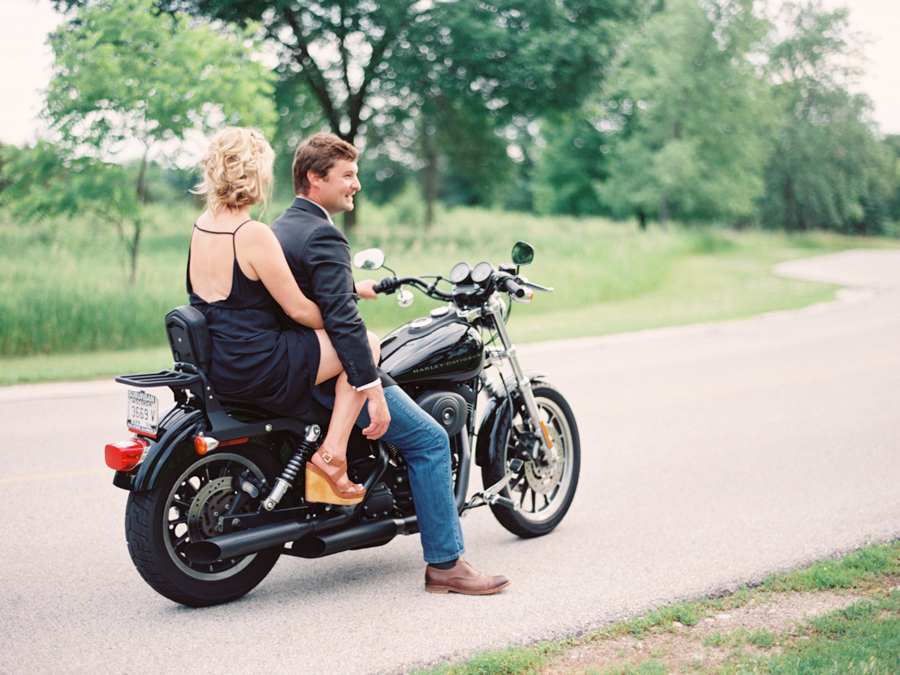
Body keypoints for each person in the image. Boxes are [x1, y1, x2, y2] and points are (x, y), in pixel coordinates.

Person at [271, 132, 510, 595]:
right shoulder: (323, 234)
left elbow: (303, 295)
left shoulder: (282, 228)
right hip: (325, 372)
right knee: (430, 440)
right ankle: (446, 565)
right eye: (347, 175)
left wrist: (348, 287)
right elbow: (345, 327)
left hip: (291, 359)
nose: (356, 184)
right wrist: (371, 388)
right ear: (314, 179)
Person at [188, 126, 388, 505]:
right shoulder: (252, 233)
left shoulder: (202, 228)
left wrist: (347, 290)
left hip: (221, 364)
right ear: (257, 175)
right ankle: (332, 458)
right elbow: (298, 309)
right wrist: (339, 309)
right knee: (368, 342)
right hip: (259, 365)